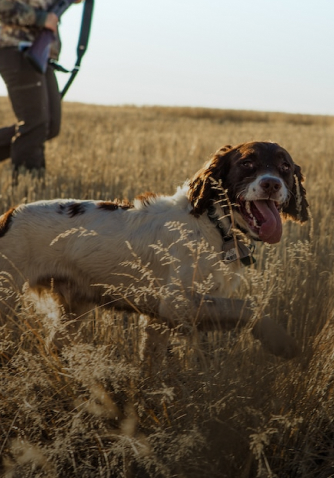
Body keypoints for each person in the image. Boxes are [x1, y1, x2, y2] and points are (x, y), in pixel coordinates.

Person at [0, 0, 82, 178]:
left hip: (41, 54)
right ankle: (27, 187)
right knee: (35, 124)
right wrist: (42, 18)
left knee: (50, 125)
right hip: (16, 49)